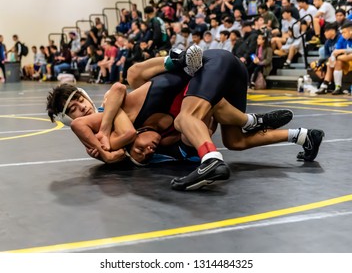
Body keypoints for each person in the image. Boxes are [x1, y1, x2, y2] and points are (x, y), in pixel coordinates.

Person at [47, 47, 324, 191]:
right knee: (234, 140)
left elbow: (118, 94)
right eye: (72, 110)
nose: (148, 149)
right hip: (222, 78)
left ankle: (175, 60)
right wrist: (112, 153)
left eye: (79, 102)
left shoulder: (118, 110)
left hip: (209, 64)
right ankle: (300, 135)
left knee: (147, 87)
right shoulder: (161, 140)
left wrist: (106, 137)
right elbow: (132, 146)